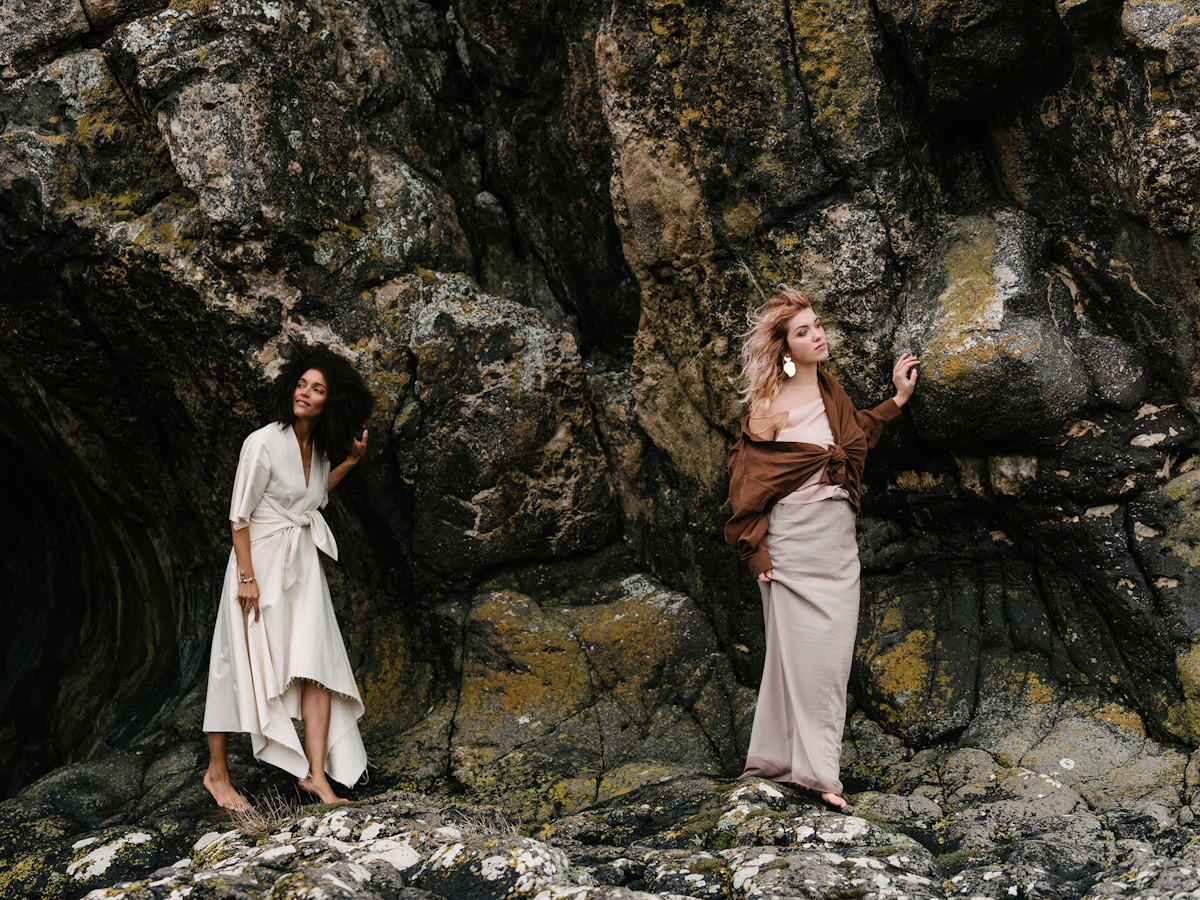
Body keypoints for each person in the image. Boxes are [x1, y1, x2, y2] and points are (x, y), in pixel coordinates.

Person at [725, 285, 918, 811]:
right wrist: (755, 551)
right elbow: (748, 483)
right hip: (792, 545)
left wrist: (898, 400)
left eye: (817, 325)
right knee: (805, 659)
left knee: (818, 658)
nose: (817, 335)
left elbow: (857, 435)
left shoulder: (830, 391)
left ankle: (780, 763)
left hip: (837, 545)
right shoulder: (770, 405)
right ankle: (817, 776)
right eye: (803, 331)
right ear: (786, 348)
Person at [202, 344, 375, 811]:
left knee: (315, 666)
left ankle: (317, 777)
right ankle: (216, 774)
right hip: (257, 565)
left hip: (301, 568)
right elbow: (239, 517)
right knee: (237, 661)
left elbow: (312, 498)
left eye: (317, 389)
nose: (305, 393)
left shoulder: (317, 449)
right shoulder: (263, 441)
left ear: (329, 402)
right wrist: (246, 576)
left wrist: (351, 462)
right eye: (301, 384)